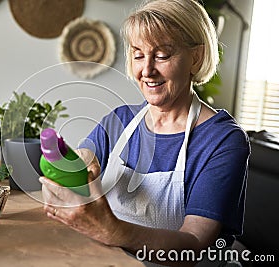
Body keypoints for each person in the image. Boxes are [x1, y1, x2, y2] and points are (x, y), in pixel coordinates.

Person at [39, 0, 250, 266]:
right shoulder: (119, 122)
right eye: (138, 54)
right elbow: (84, 164)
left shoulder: (222, 140)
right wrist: (68, 170)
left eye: (162, 55)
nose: (147, 70)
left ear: (195, 57)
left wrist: (113, 230)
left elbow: (193, 246)